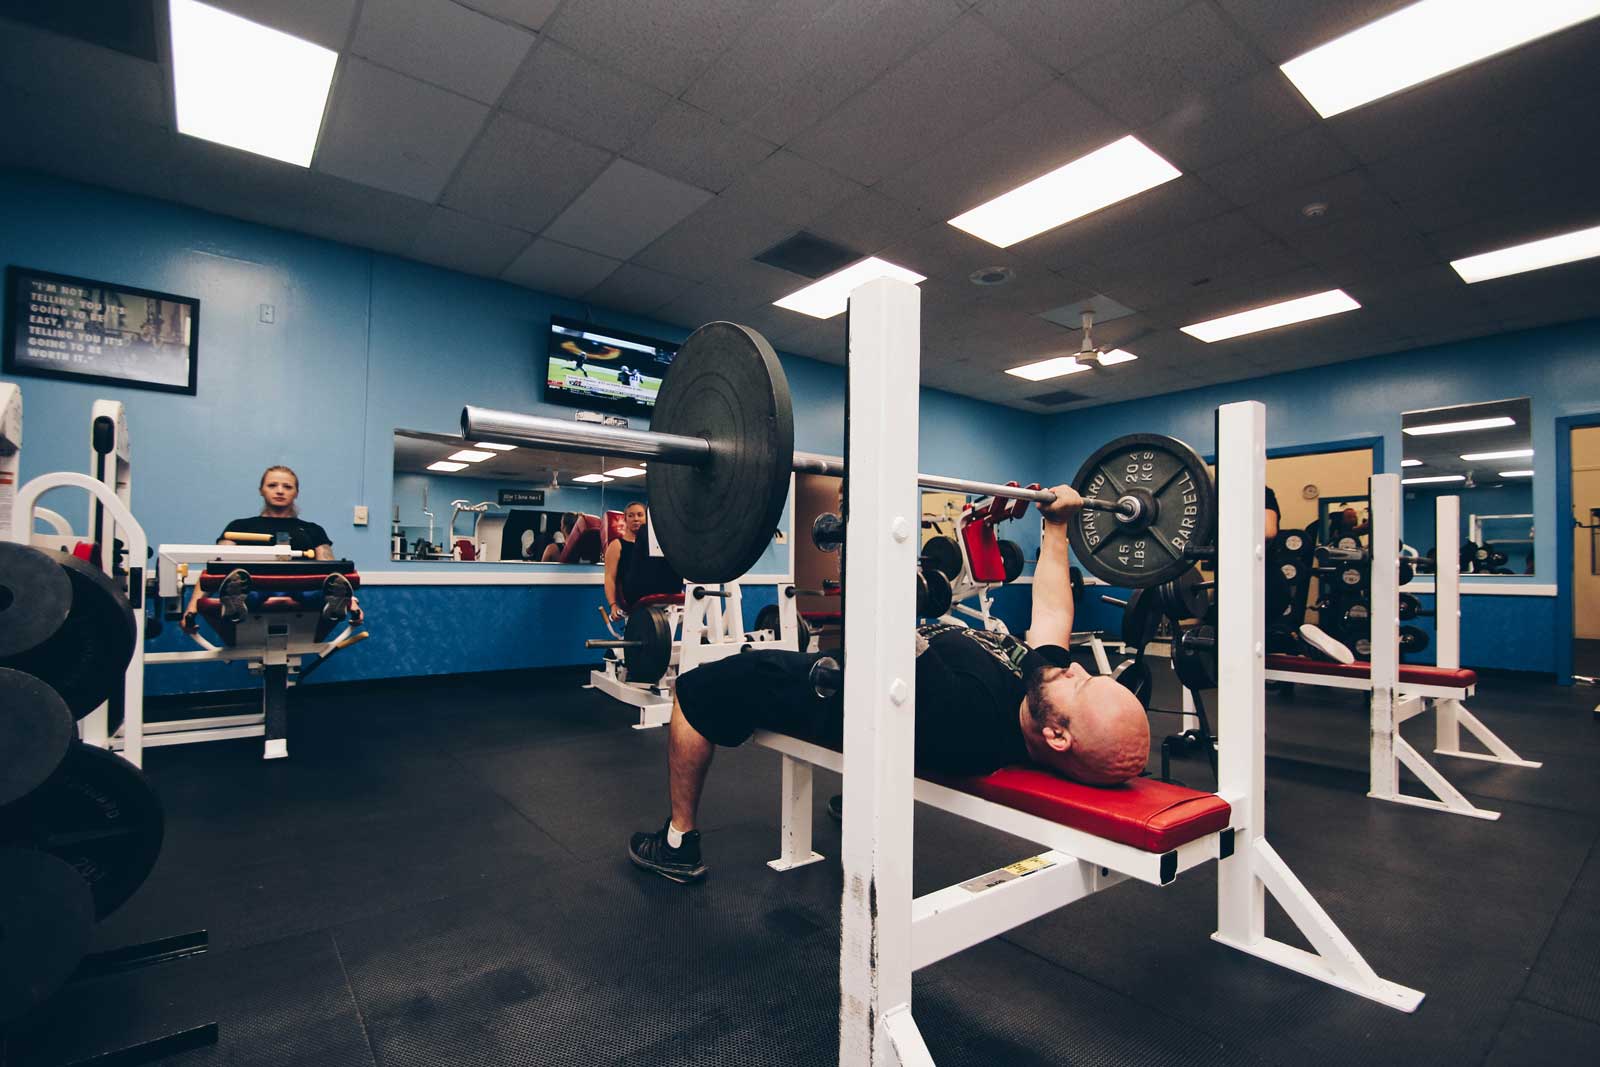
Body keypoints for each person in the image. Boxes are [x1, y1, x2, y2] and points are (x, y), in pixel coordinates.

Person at [628, 484, 1150, 884]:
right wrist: (1057, 529)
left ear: (1058, 736)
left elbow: (886, 623)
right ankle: (856, 801)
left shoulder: (967, 715)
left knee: (696, 688)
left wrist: (865, 516)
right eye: (1087, 673)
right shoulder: (1042, 692)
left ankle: (678, 844)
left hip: (834, 698)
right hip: (878, 678)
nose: (1076, 669)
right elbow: (1055, 611)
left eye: (1081, 686)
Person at [182, 465, 361, 634]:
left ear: (296, 493)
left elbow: (332, 573)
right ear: (261, 490)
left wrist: (350, 602)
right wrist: (191, 610)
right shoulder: (239, 527)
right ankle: (235, 607)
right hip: (253, 588)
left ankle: (334, 609)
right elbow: (215, 569)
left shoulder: (313, 530)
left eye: (287, 486)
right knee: (242, 589)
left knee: (317, 593)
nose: (280, 490)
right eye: (272, 485)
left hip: (303, 589)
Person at [604, 502, 683, 621]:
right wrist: (613, 605)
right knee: (646, 533)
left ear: (646, 517)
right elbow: (609, 577)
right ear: (625, 519)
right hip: (634, 591)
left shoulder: (658, 544)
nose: (636, 519)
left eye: (640, 515)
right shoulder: (616, 545)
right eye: (631, 516)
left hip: (658, 585)